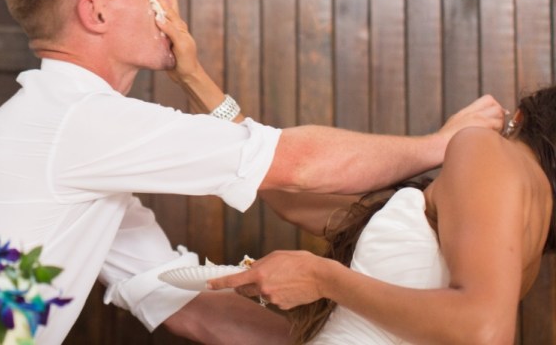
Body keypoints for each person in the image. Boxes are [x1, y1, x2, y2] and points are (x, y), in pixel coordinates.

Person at [0, 0, 504, 344]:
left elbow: (181, 301)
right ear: (96, 14)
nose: (166, 6)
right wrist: (442, 142)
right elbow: (296, 164)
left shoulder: (71, 130)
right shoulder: (83, 120)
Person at [209, 86, 556, 344]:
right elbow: (292, 200)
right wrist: (195, 78)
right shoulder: (511, 241)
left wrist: (323, 279)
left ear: (518, 120)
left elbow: (485, 330)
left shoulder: (487, 150)